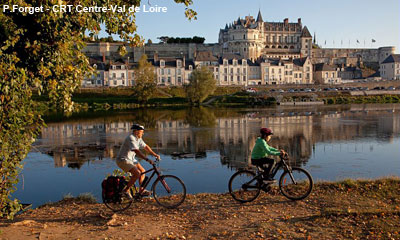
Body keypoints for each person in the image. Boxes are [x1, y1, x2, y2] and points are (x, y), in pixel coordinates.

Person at [116, 123, 160, 198]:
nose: (143, 133)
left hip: (131, 159)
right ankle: (125, 190)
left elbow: (146, 147)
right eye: (141, 131)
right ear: (136, 131)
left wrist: (155, 154)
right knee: (137, 173)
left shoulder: (138, 138)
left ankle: (141, 191)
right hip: (123, 160)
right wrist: (147, 159)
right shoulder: (131, 138)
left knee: (143, 172)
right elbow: (136, 151)